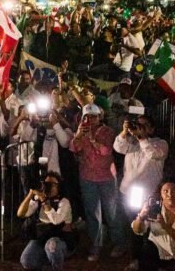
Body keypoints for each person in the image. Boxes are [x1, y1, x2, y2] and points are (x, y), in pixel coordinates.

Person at [70, 103, 126, 262]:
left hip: (106, 177)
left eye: (93, 116)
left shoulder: (108, 131)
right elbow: (73, 148)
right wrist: (78, 135)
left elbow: (106, 151)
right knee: (92, 213)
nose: (89, 120)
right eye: (86, 117)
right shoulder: (81, 131)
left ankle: (119, 242)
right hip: (87, 177)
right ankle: (96, 244)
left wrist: (91, 139)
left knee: (112, 212)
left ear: (100, 117)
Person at [115, 115, 169, 270]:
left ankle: (153, 262)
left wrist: (142, 138)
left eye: (144, 125)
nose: (139, 128)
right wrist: (124, 132)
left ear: (152, 128)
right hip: (128, 192)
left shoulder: (161, 144)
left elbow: (154, 154)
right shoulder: (131, 143)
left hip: (149, 195)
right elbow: (118, 147)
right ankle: (136, 260)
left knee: (152, 231)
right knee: (134, 229)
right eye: (137, 124)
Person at [17, 171, 77, 271]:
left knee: (52, 246)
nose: (49, 187)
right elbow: (21, 214)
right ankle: (48, 261)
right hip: (43, 237)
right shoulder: (39, 199)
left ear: (59, 187)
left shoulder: (64, 201)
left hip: (61, 239)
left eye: (53, 185)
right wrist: (30, 194)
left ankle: (56, 265)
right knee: (26, 261)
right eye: (47, 184)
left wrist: (44, 201)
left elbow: (56, 220)